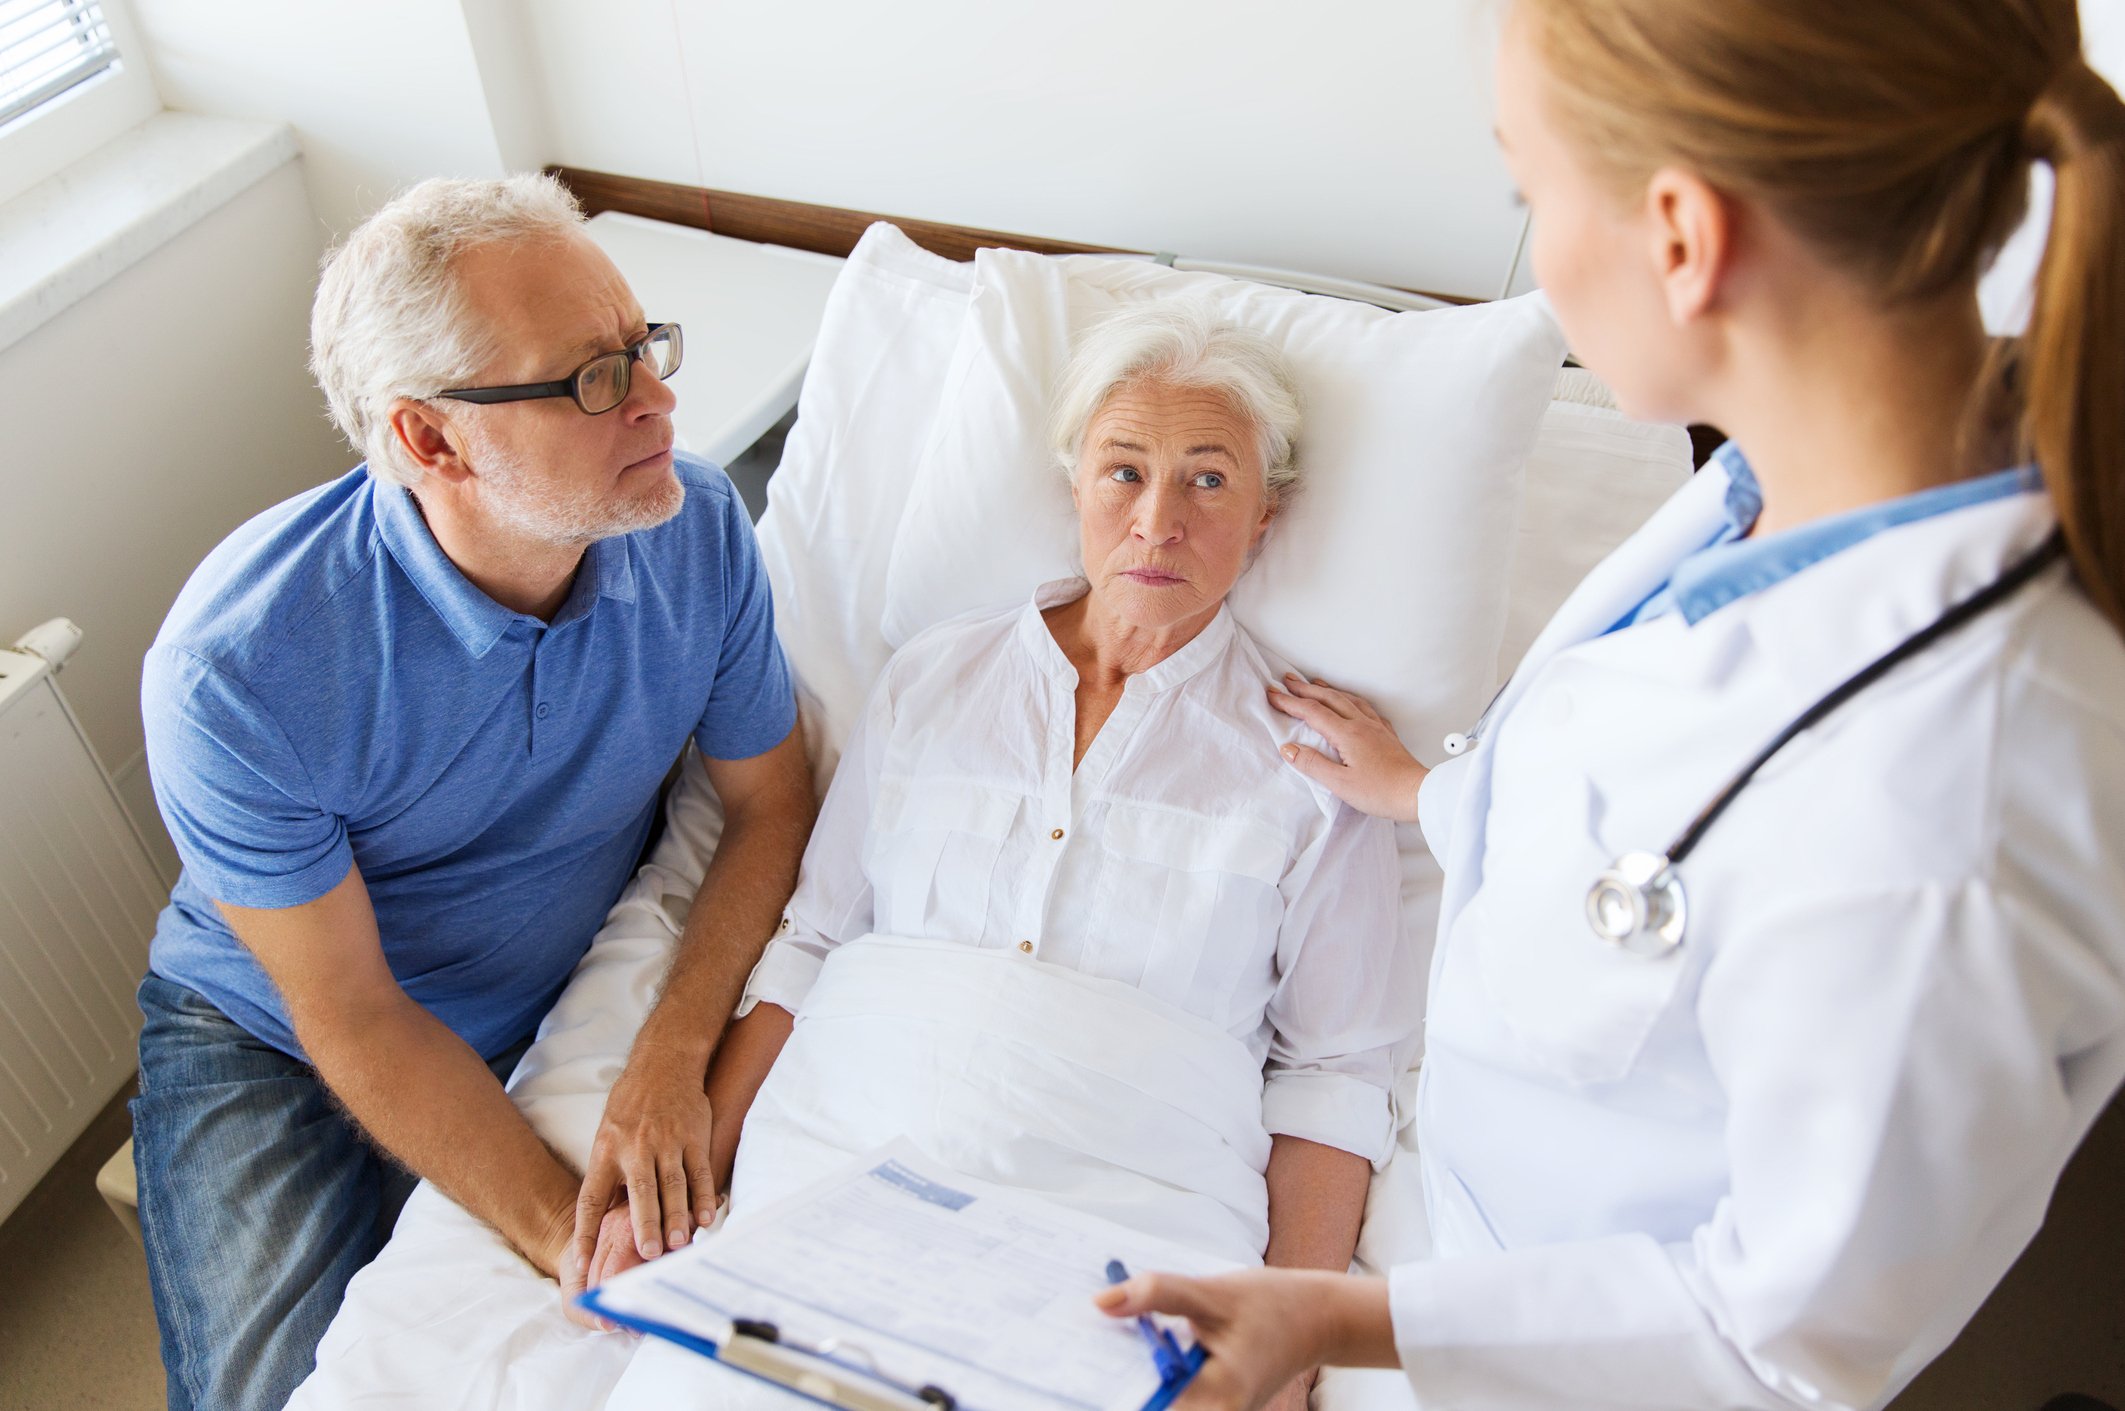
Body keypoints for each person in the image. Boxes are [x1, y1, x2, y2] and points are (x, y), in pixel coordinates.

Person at [1097, 3, 2125, 1409]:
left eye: (1531, 192)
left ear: (1684, 238)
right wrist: (1429, 790)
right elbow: (1642, 817)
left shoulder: (1943, 814)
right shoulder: (1785, 480)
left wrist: (1341, 1320)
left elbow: (1777, 1337)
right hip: (1444, 1221)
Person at [584, 303, 1422, 1411]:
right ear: (1076, 483)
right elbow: (816, 943)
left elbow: (1333, 1076)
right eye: (1124, 471)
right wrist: (678, 1201)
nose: (1157, 521)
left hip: (1128, 1228)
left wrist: (1289, 1339)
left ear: (1269, 513)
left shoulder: (1318, 763)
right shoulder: (933, 679)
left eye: (1209, 481)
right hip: (845, 1168)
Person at [132, 173, 816, 1411]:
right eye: (591, 379)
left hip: (546, 982)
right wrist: (565, 1231)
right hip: (281, 1026)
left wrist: (669, 1050)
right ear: (432, 440)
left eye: (641, 347)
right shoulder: (238, 671)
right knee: (274, 1390)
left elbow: (771, 803)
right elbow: (352, 1013)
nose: (660, 401)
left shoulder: (696, 528)